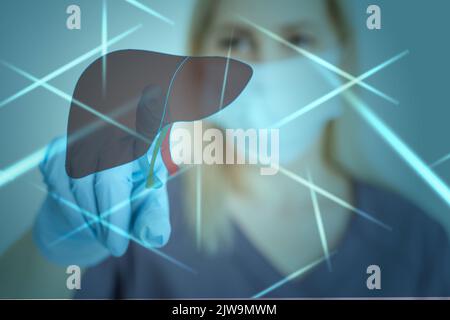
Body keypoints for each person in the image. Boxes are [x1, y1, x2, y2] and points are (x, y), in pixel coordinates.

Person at [35, 0, 450, 298]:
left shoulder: (417, 241)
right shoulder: (139, 215)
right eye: (237, 41)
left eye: (299, 38)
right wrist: (52, 247)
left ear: (343, 59)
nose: (266, 70)